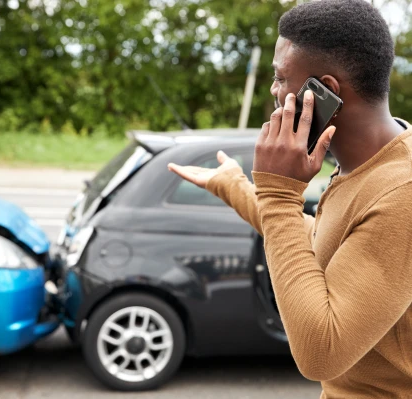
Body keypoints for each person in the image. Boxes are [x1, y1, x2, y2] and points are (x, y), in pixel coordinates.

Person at [168, 0, 412, 397]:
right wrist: (235, 187)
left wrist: (279, 194)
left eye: (282, 77)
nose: (274, 90)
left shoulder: (403, 192)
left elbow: (321, 354)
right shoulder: (370, 165)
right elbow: (326, 242)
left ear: (326, 92)